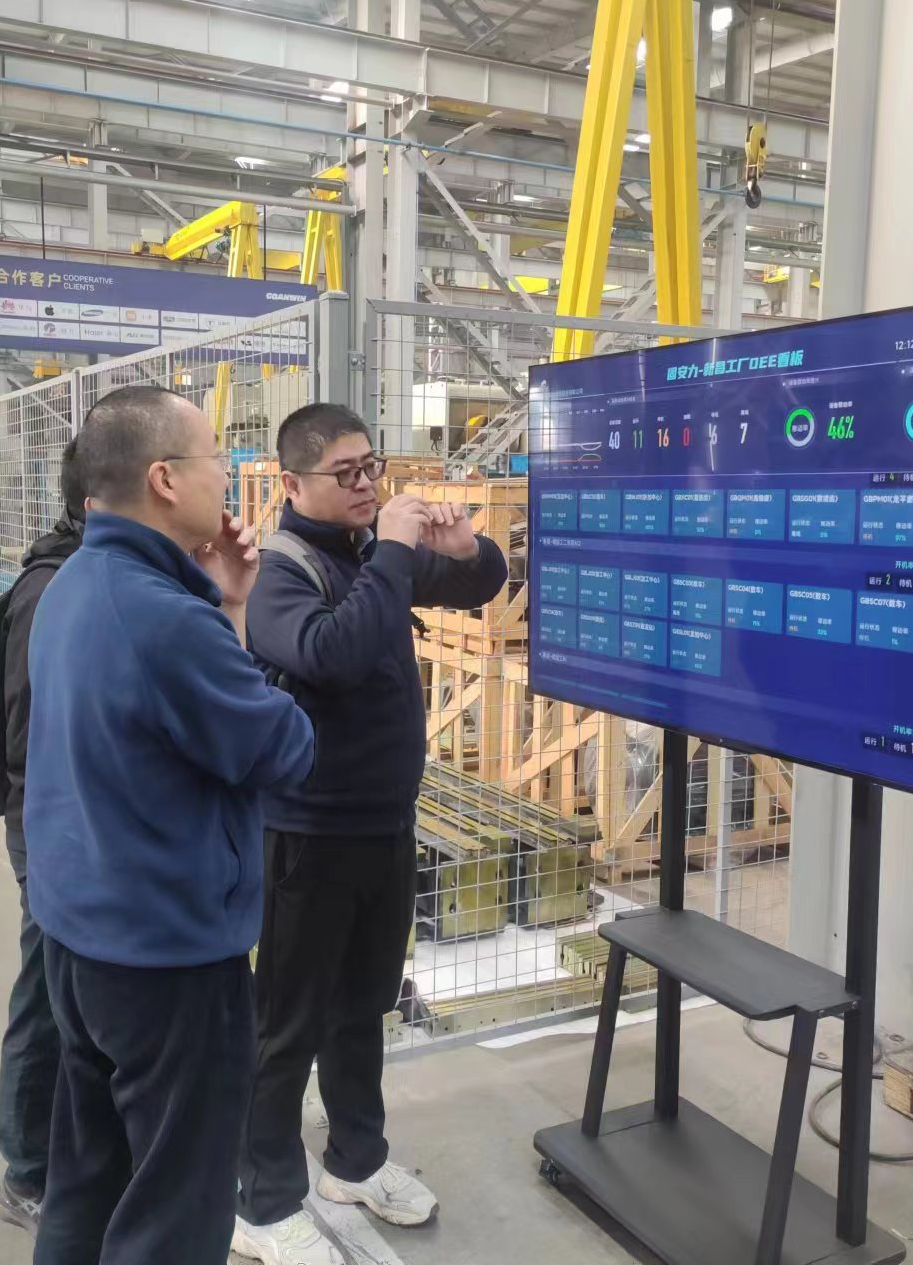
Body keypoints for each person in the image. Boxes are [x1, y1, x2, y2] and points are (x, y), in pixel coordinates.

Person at [24, 385, 316, 1265]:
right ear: (163, 479)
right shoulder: (163, 619)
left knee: (91, 1177)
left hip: (81, 937)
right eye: (215, 458)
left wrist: (228, 605)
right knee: (177, 1210)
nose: (226, 475)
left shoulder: (76, 582)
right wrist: (227, 622)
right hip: (166, 962)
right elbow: (282, 748)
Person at [233, 403, 509, 1265]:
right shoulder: (282, 572)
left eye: (371, 467)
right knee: (286, 1026)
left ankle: (355, 1163)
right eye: (345, 473)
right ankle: (262, 1201)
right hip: (307, 837)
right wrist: (393, 548)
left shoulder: (366, 553)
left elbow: (478, 584)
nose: (365, 485)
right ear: (292, 483)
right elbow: (335, 654)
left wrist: (465, 548)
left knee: (361, 1008)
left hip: (384, 828)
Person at [0, 440, 85, 1235]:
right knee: (47, 1000)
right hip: (52, 830)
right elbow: (32, 735)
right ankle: (27, 1169)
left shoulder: (88, 577)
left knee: (73, 1001)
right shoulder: (53, 589)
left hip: (79, 829)